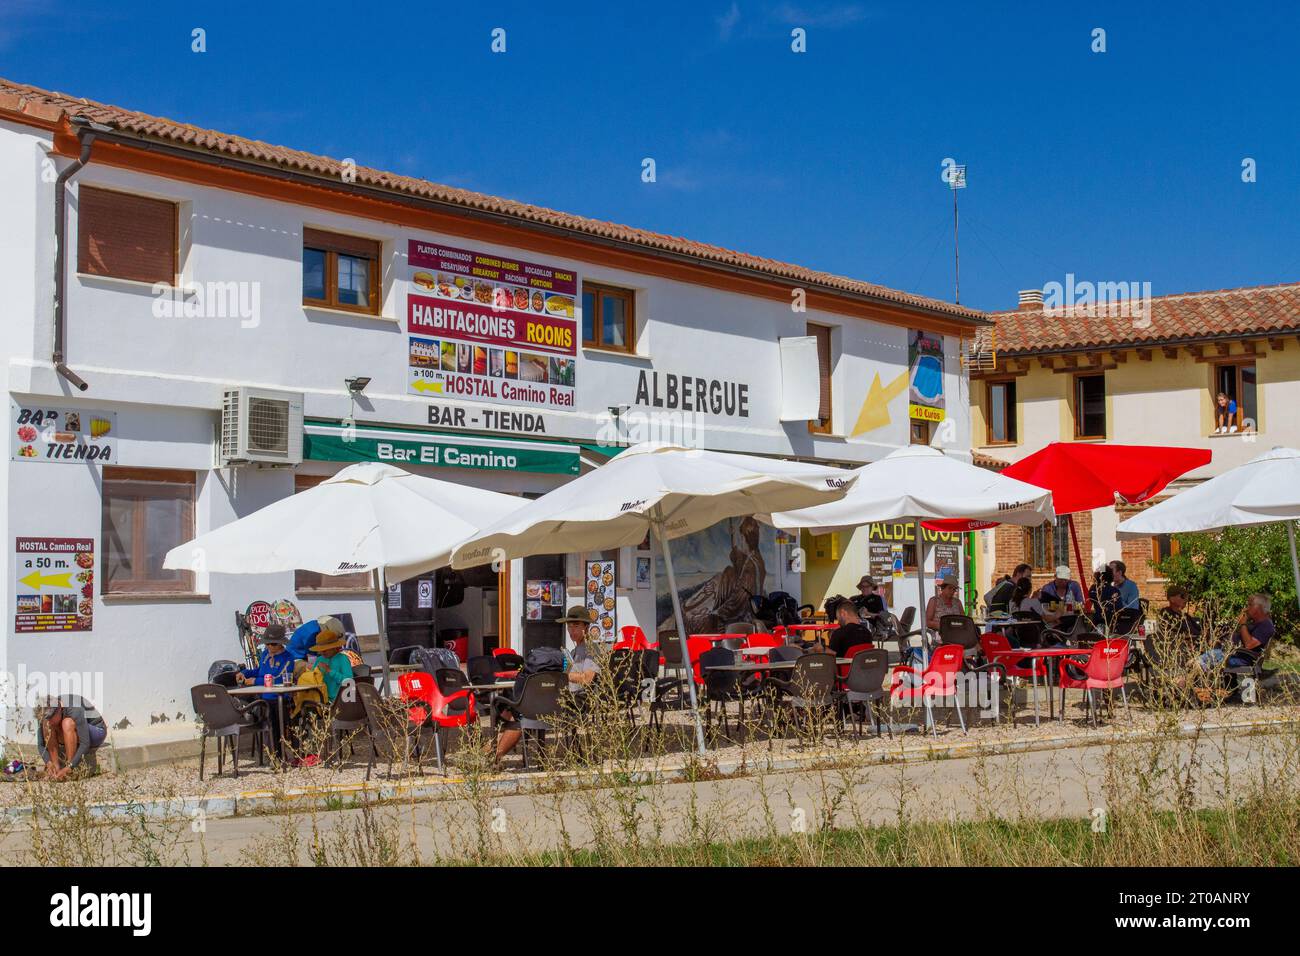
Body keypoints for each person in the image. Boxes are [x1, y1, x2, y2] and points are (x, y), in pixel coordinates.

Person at [495, 607, 597, 763]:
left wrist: (559, 676)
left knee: (522, 710)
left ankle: (494, 756)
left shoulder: (591, 650)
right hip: (565, 698)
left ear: (586, 627)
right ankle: (492, 752)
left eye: (576, 626)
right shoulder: (574, 651)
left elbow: (587, 679)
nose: (571, 630)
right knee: (515, 706)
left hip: (577, 702)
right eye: (569, 626)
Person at [235, 623, 294, 742]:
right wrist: (245, 673)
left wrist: (256, 681)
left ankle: (279, 754)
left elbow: (278, 679)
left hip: (278, 698)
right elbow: (260, 670)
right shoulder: (265, 654)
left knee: (276, 727)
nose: (269, 646)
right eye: (267, 643)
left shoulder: (288, 658)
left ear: (281, 643)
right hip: (264, 697)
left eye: (273, 644)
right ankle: (270, 751)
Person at [1198, 593, 1274, 674]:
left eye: (1250, 605)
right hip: (1231, 653)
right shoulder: (1256, 623)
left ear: (1258, 607)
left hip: (1238, 658)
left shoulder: (1266, 625)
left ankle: (1197, 682)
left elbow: (1249, 644)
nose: (1247, 608)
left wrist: (1243, 623)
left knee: (1199, 661)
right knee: (1199, 658)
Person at [36, 695, 108, 780]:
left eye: (51, 718)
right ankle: (56, 769)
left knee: (67, 723)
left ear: (59, 709)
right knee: (46, 725)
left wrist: (71, 766)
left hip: (97, 731)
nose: (49, 721)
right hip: (73, 729)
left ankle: (70, 770)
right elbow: (40, 745)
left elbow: (85, 743)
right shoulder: (44, 712)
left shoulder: (74, 709)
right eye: (47, 718)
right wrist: (48, 762)